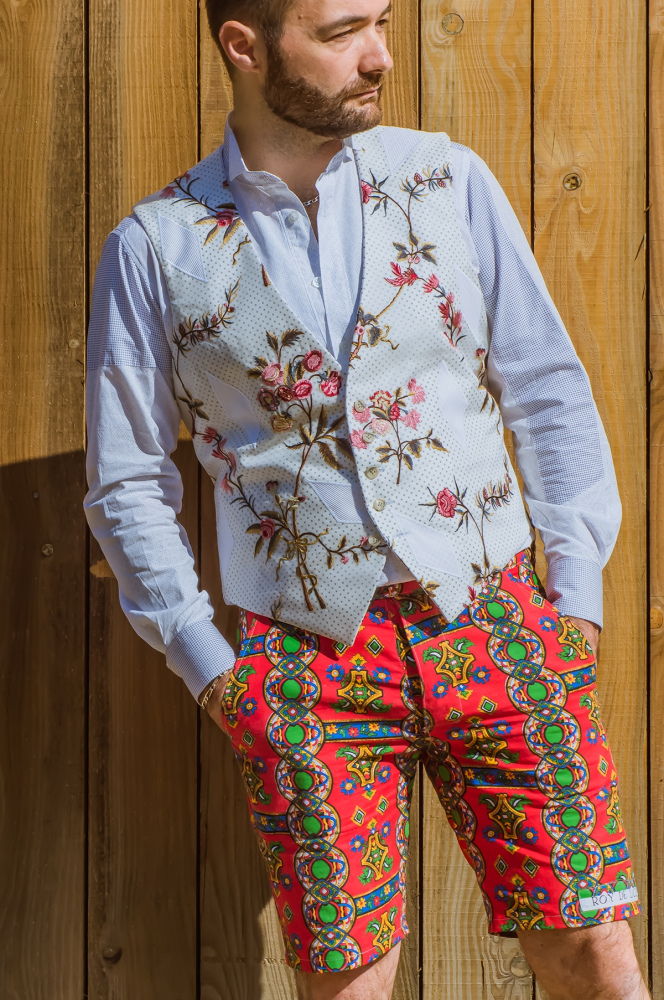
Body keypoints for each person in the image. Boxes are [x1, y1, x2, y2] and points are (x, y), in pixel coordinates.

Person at [84, 1, 649, 997]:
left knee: (593, 952)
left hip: (498, 620)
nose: (380, 55)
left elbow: (544, 385)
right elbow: (127, 476)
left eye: (381, 21)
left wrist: (573, 601)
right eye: (343, 31)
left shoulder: (446, 178)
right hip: (307, 662)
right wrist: (213, 669)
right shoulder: (156, 245)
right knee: (348, 983)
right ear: (245, 47)